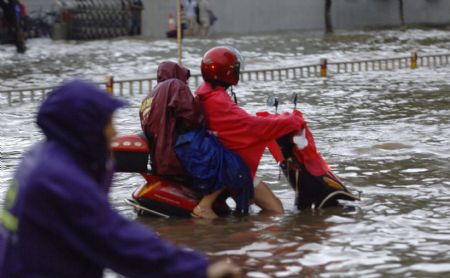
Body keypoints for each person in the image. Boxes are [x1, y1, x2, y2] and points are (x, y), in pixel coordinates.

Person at [0, 79, 240, 277]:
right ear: (84, 127)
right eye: (107, 123)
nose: (114, 132)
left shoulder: (41, 157)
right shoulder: (59, 179)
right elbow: (117, 239)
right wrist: (200, 268)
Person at [195, 46, 305, 214]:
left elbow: (239, 122)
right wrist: (291, 120)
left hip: (216, 162)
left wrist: (274, 118)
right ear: (227, 72)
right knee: (276, 210)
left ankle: (242, 229)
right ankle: (255, 237)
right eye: (235, 68)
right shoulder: (218, 100)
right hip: (229, 168)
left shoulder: (205, 94)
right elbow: (250, 126)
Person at [140, 61, 253, 219]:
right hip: (177, 155)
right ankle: (215, 214)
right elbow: (191, 117)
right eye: (184, 77)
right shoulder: (175, 85)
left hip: (160, 163)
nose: (186, 82)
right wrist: (204, 119)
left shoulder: (147, 98)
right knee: (230, 165)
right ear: (177, 73)